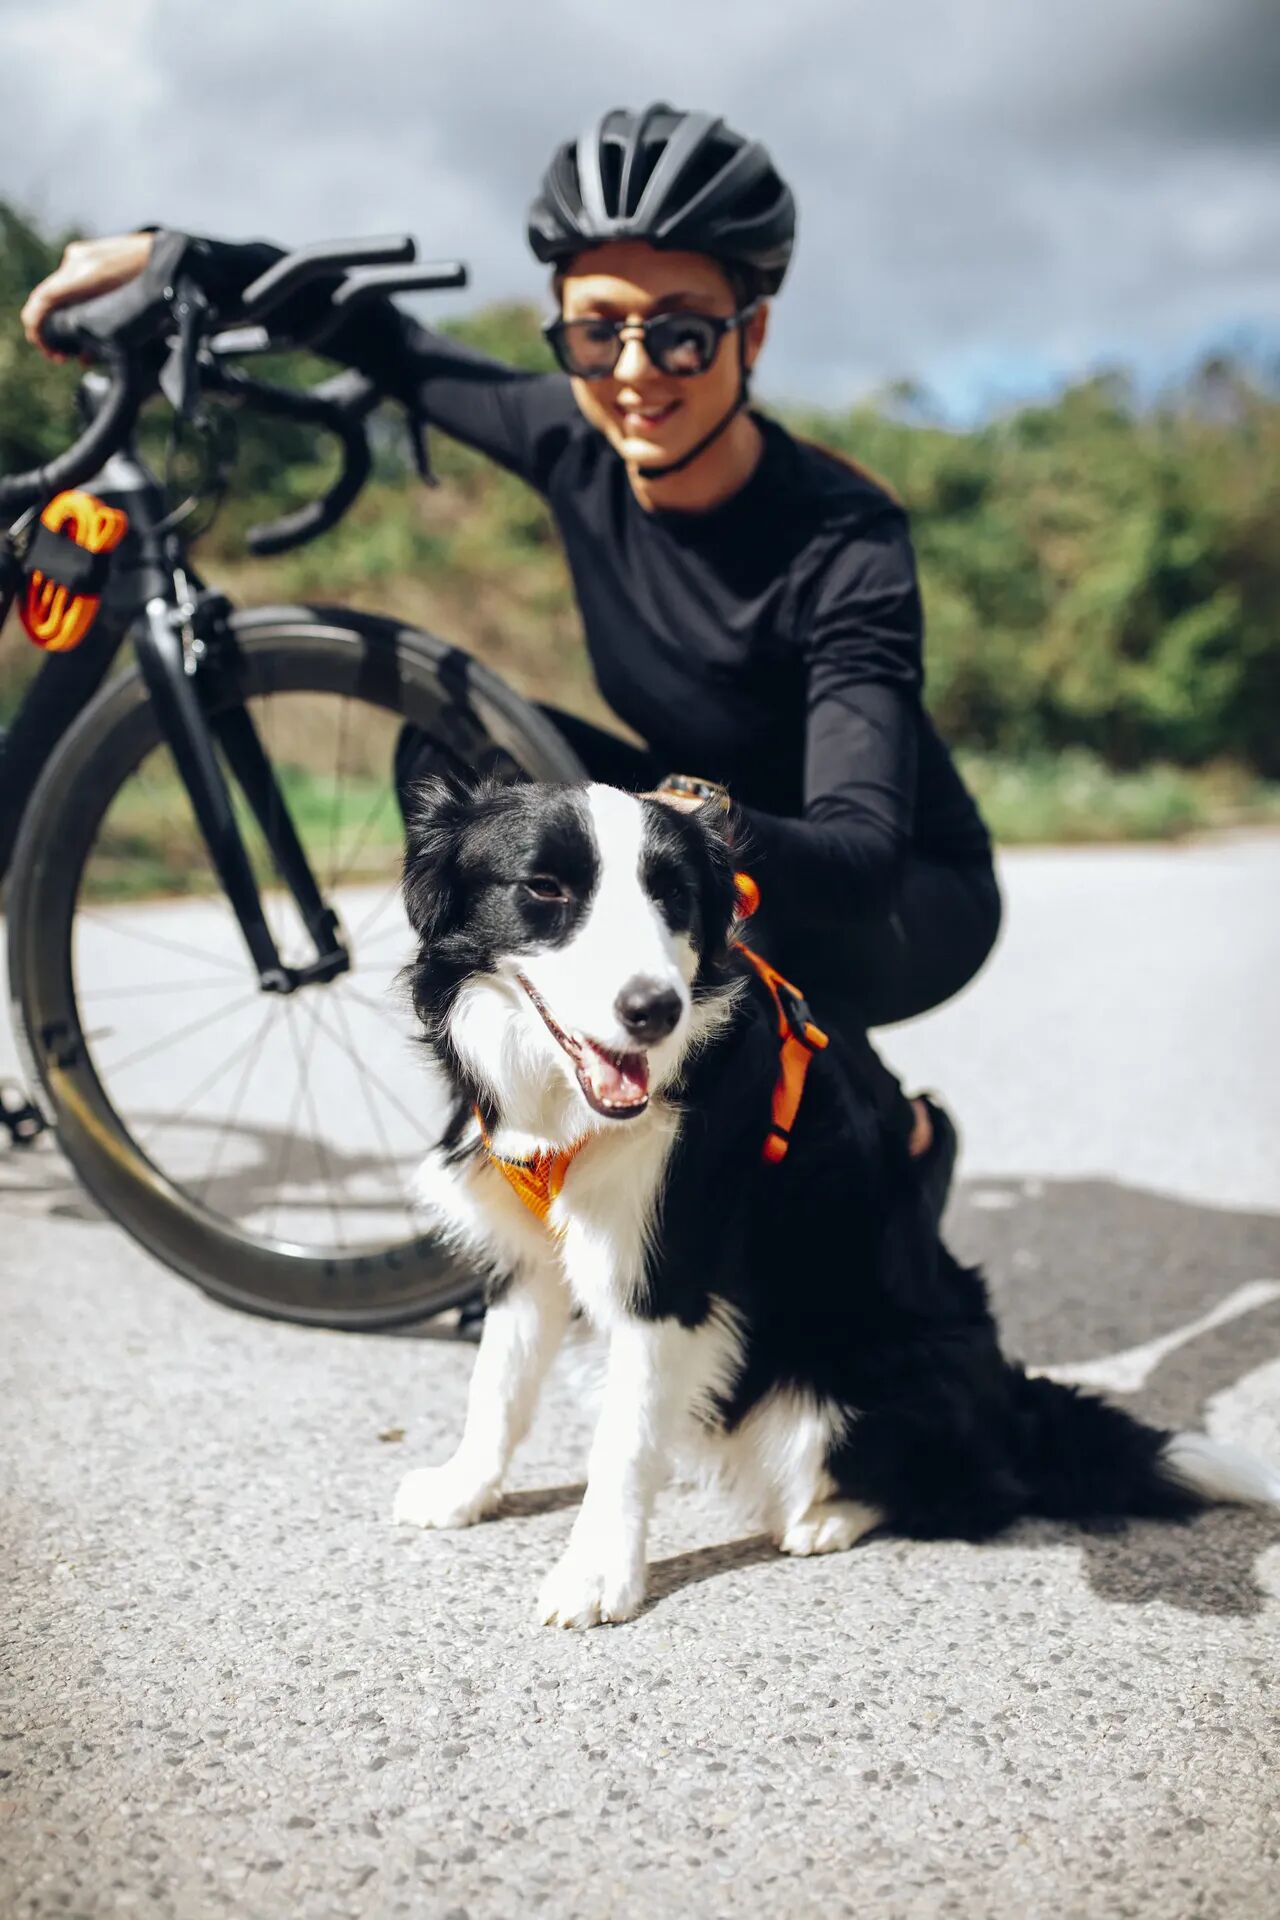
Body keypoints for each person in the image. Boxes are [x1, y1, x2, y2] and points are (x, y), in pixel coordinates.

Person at [22, 102, 1002, 1221]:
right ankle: (525, 1147)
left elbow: (865, 849)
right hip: (702, 835)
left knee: (709, 897)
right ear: (565, 333)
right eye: (597, 331)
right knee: (463, 763)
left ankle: (888, 1133)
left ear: (753, 334)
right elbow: (383, 339)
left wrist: (688, 822)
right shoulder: (570, 437)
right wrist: (179, 255)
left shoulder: (847, 541)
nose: (634, 370)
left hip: (899, 899)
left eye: (681, 330)